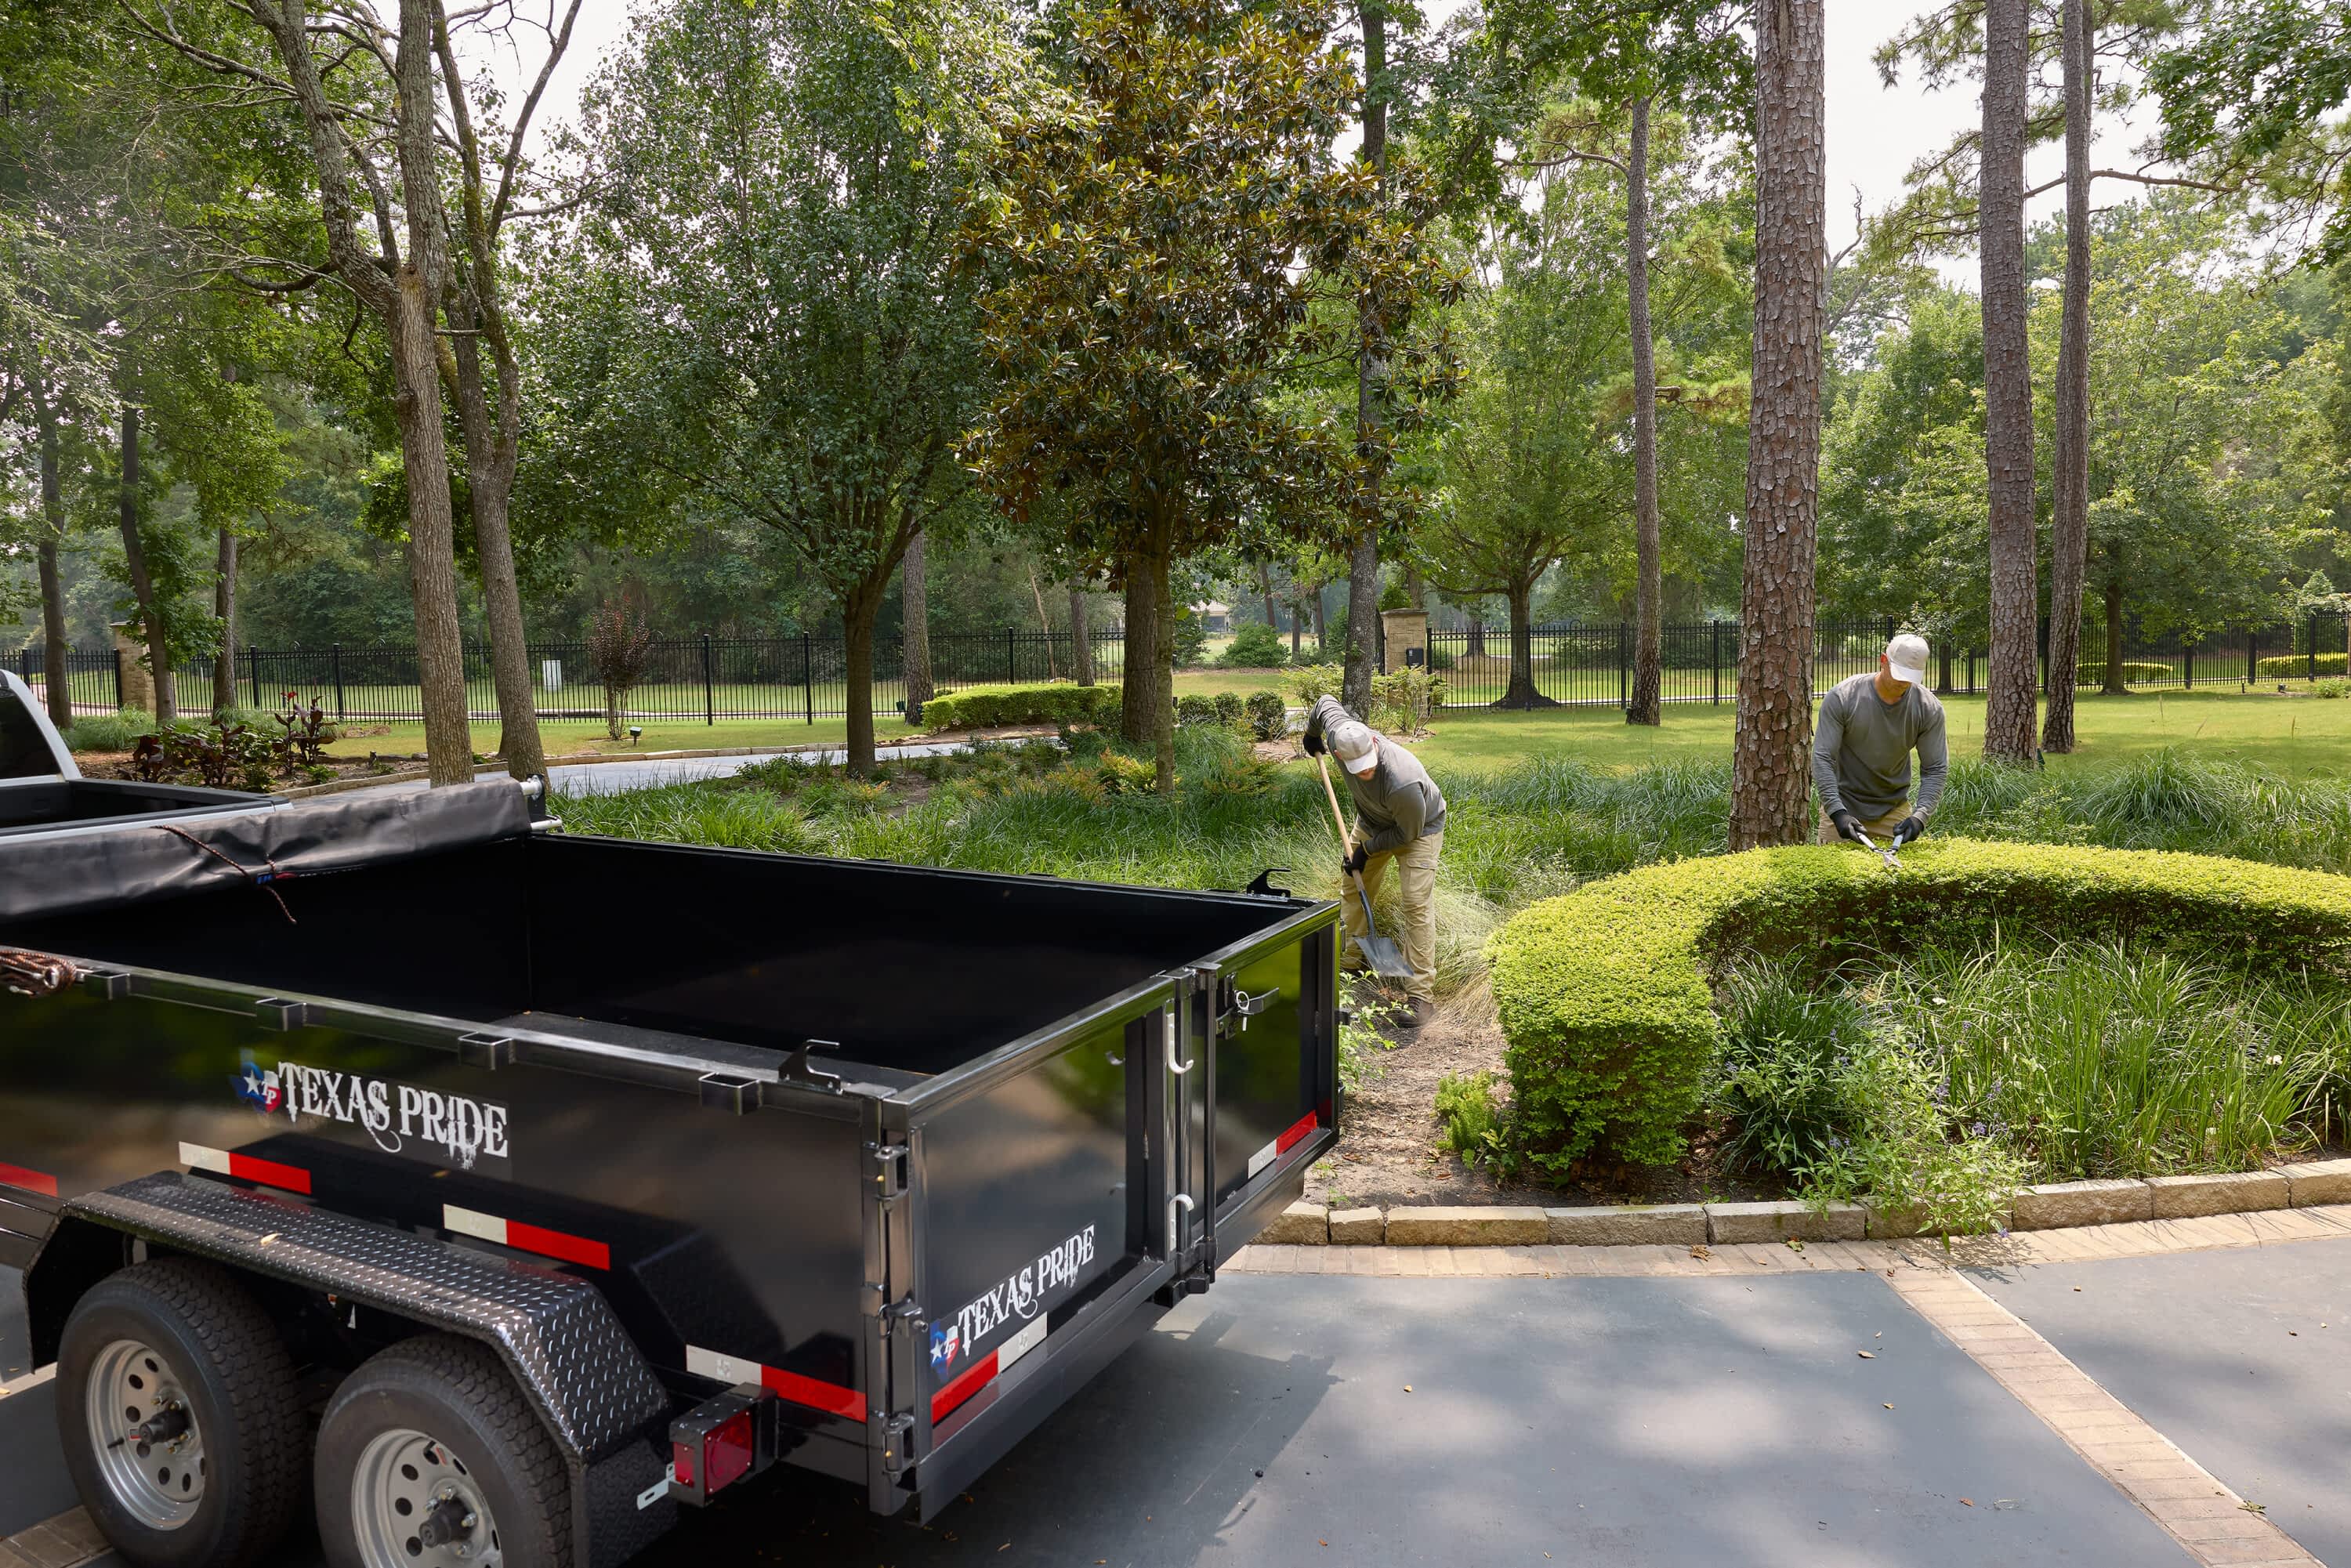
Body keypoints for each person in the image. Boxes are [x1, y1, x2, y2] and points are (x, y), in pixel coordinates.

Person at [1302, 694, 1446, 1027]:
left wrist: (1365, 852)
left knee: (1416, 904)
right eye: (1358, 769)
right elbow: (1324, 702)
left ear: (1375, 745)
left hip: (1419, 830)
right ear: (1338, 753)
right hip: (1371, 823)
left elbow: (1407, 834)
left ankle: (1421, 996)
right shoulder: (1340, 734)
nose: (1365, 771)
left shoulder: (1403, 780)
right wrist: (1311, 735)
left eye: (1369, 764)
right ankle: (1353, 961)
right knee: (1353, 886)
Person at [1815, 632, 1949, 850]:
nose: (1904, 682)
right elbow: (1823, 757)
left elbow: (1935, 768)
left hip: (1894, 811)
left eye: (1911, 676)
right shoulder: (1843, 697)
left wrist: (1920, 816)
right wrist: (1837, 812)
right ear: (1883, 661)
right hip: (1843, 806)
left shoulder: (1928, 708)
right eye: (1899, 674)